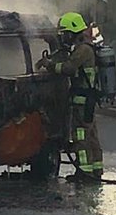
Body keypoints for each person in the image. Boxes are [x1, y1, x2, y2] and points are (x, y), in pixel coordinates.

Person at [36, 12, 103, 181]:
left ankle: (85, 172)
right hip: (88, 99)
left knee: (81, 137)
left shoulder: (83, 50)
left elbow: (68, 68)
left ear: (74, 32)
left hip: (81, 100)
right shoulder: (86, 48)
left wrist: (48, 65)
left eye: (66, 33)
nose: (64, 37)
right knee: (91, 135)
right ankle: (96, 170)